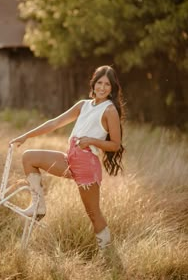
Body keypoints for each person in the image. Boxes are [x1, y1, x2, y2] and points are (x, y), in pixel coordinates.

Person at [10, 65, 124, 250]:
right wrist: (26, 135)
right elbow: (55, 122)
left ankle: (108, 253)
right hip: (70, 159)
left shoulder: (110, 110)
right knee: (29, 157)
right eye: (99, 83)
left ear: (112, 88)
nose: (102, 87)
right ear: (93, 84)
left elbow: (115, 144)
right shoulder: (83, 105)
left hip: (87, 164)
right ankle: (38, 206)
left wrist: (90, 141)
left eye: (107, 85)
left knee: (93, 213)